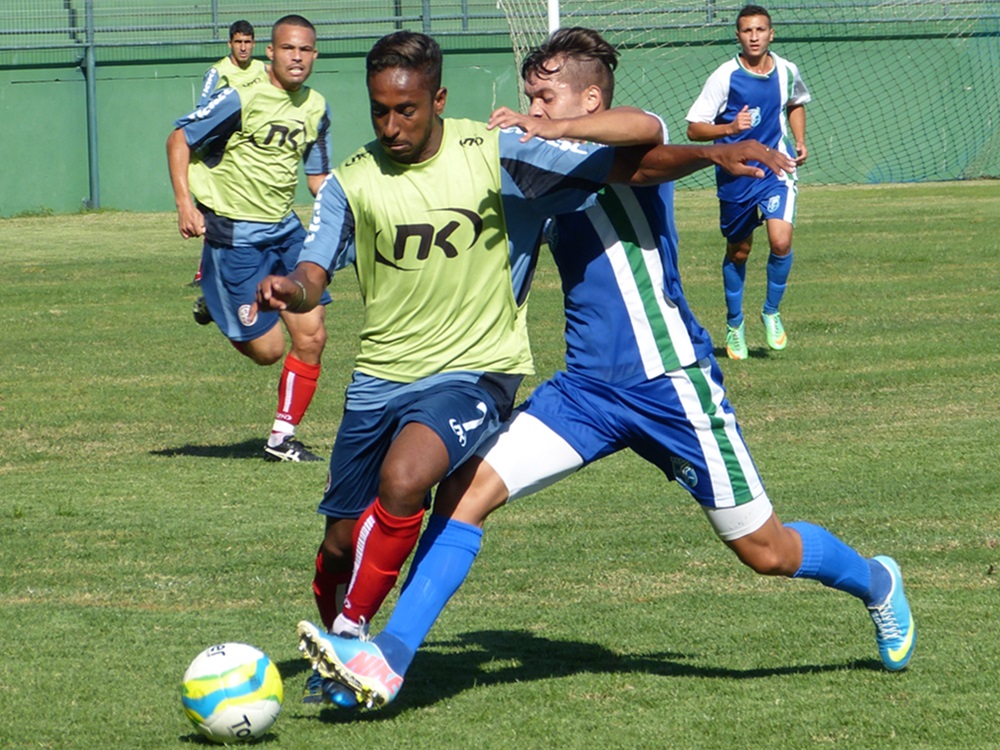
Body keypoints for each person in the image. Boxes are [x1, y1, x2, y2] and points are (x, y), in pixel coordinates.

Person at [294, 27, 915, 710]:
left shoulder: (626, 153)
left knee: (765, 550)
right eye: (529, 95)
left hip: (671, 384)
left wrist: (554, 127)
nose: (531, 107)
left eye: (545, 95)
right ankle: (388, 659)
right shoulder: (534, 166)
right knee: (463, 494)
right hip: (585, 392)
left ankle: (876, 581)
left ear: (590, 99)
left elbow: (646, 126)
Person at [167, 15, 332, 462]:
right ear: (270, 53)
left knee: (312, 335)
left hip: (286, 232)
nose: (297, 57)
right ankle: (216, 298)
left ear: (315, 55)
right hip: (234, 236)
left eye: (305, 50)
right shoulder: (241, 96)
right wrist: (185, 204)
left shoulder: (317, 107)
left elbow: (317, 178)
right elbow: (180, 139)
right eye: (288, 48)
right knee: (268, 351)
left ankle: (281, 439)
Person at [685, 5, 810, 360]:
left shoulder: (786, 70)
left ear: (772, 33)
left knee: (780, 240)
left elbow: (796, 102)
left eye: (760, 30)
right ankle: (735, 323)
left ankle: (771, 312)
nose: (754, 37)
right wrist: (729, 127)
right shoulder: (724, 76)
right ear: (738, 36)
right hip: (737, 174)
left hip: (776, 168)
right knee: (739, 251)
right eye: (747, 31)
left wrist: (800, 140)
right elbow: (694, 129)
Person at [189, 20, 269, 299]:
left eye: (247, 42)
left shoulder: (263, 70)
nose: (243, 47)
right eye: (238, 42)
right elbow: (203, 111)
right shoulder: (218, 72)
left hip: (254, 152)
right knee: (214, 211)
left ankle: (253, 267)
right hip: (222, 152)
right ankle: (205, 271)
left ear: (254, 43)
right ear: (230, 44)